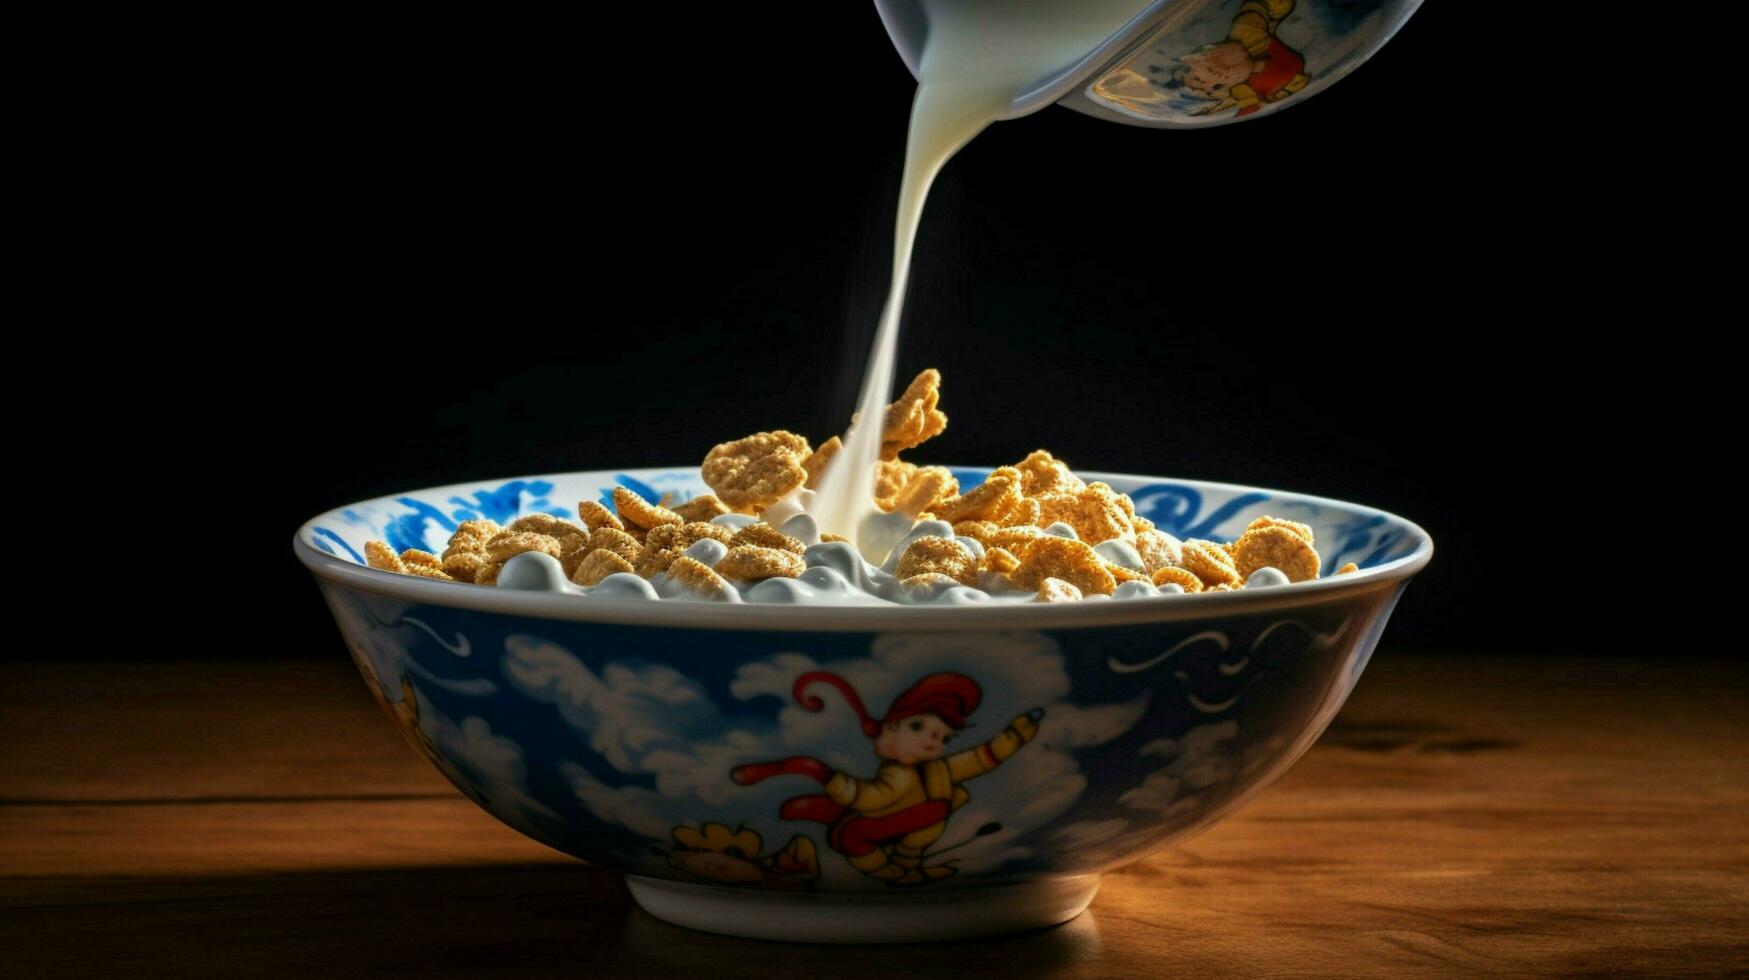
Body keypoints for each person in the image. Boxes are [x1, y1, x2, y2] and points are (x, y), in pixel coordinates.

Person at [732, 670, 1044, 885]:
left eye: (943, 738)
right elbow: (869, 798)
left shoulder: (937, 770)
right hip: (870, 832)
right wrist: (827, 777)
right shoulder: (897, 778)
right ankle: (892, 874)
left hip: (912, 835)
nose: (933, 742)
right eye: (919, 728)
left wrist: (1017, 734)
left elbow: (984, 757)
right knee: (866, 846)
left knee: (917, 841)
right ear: (891, 727)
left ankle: (907, 868)